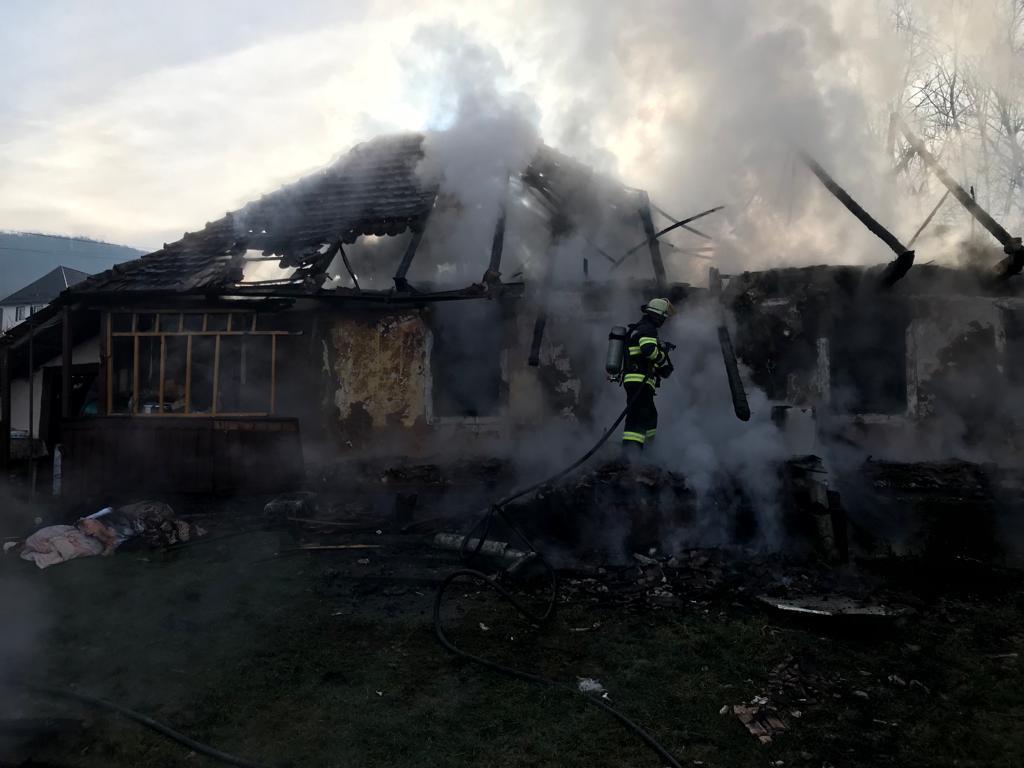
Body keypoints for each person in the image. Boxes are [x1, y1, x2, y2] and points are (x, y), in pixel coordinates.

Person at [621, 298, 675, 459]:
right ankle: (631, 454)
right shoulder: (648, 328)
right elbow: (649, 351)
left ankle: (648, 451)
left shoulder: (639, 328)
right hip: (639, 380)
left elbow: (643, 358)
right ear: (658, 316)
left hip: (637, 379)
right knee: (639, 415)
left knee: (650, 415)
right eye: (664, 317)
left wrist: (661, 370)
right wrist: (663, 354)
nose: (664, 321)